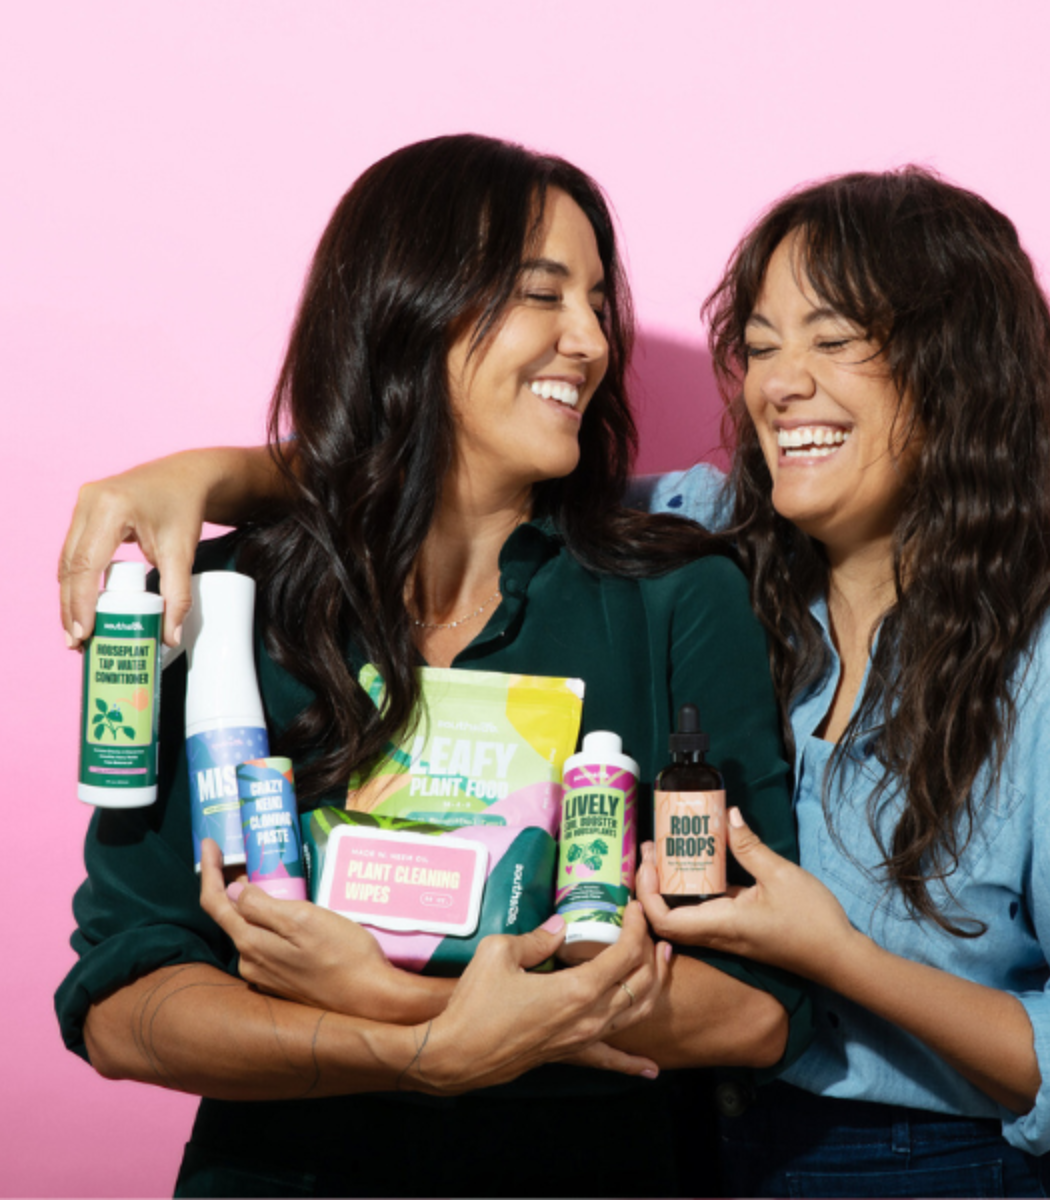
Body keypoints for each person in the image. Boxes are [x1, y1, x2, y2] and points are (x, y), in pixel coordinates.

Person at [61, 166, 1050, 1198]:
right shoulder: (706, 529)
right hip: (706, 1145)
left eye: (835, 338)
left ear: (958, 373)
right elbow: (427, 466)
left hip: (938, 1165)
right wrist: (203, 474)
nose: (781, 387)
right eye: (760, 346)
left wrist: (833, 957)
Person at [55, 134, 808, 1198]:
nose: (589, 340)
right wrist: (414, 1050)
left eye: (599, 301)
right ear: (409, 302)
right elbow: (122, 1003)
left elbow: (761, 1005)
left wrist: (394, 1000)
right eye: (543, 294)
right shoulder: (218, 605)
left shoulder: (677, 598)